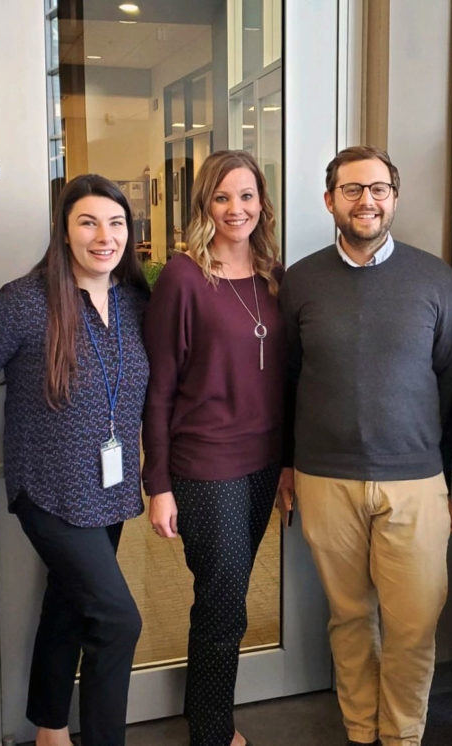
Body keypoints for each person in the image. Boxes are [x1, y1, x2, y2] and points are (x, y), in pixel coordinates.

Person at [278, 145, 452, 746]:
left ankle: (402, 737)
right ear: (330, 200)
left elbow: (449, 377)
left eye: (379, 189)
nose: (367, 201)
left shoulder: (434, 277)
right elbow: (286, 377)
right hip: (325, 477)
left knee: (413, 626)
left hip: (415, 479)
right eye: (353, 190)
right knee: (350, 619)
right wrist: (287, 464)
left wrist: (451, 480)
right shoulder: (300, 279)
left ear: (394, 198)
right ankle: (362, 733)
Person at [0, 174, 149, 746]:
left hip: (110, 489)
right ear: (63, 231)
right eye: (88, 222)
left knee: (68, 606)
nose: (105, 236)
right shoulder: (23, 302)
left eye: (116, 223)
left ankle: (50, 731)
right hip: (49, 490)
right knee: (116, 620)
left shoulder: (135, 301)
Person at [142, 149, 284, 746]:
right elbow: (159, 388)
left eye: (247, 196)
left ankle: (210, 718)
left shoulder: (275, 275)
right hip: (205, 465)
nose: (236, 208)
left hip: (263, 461)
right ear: (205, 204)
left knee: (233, 592)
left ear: (262, 204)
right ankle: (210, 730)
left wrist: (290, 464)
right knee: (225, 601)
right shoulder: (182, 276)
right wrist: (159, 483)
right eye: (223, 197)